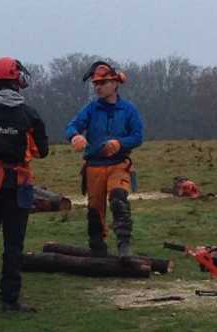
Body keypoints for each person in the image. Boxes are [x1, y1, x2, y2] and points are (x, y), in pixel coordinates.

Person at [0, 57, 49, 313]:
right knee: (14, 244)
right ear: (19, 82)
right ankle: (10, 299)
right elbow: (42, 150)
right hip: (19, 183)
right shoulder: (29, 114)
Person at [65, 61, 143, 258]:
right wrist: (75, 136)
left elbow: (137, 136)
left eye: (102, 83)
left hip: (119, 164)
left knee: (119, 199)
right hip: (94, 166)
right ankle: (97, 245)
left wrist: (120, 143)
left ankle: (124, 243)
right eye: (95, 84)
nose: (98, 87)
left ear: (115, 84)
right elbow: (71, 126)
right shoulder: (90, 109)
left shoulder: (128, 110)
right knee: (94, 210)